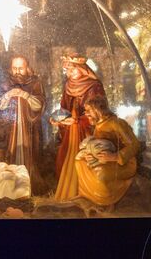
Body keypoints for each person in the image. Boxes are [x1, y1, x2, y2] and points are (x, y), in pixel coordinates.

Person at [49, 54, 105, 201]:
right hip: (71, 132)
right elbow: (64, 108)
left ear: (82, 69)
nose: (69, 73)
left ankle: (85, 193)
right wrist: (58, 118)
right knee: (64, 159)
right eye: (67, 70)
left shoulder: (94, 86)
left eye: (72, 69)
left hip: (85, 131)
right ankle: (68, 192)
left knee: (85, 160)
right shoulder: (68, 85)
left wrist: (77, 121)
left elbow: (98, 111)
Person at [74, 96, 140, 207]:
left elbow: (134, 145)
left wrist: (115, 157)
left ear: (98, 109)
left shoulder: (116, 123)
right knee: (79, 162)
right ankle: (86, 196)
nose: (86, 113)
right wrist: (90, 155)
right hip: (105, 161)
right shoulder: (98, 126)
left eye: (89, 110)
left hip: (124, 162)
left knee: (101, 173)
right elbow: (97, 145)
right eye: (86, 111)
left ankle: (104, 200)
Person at [0, 56, 46, 194]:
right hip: (11, 128)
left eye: (21, 68)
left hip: (29, 128)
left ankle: (31, 187)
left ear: (27, 68)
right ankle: (12, 188)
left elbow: (39, 105)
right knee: (10, 154)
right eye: (14, 68)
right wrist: (8, 95)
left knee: (31, 155)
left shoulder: (35, 83)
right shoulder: (6, 83)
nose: (17, 71)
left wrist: (25, 95)